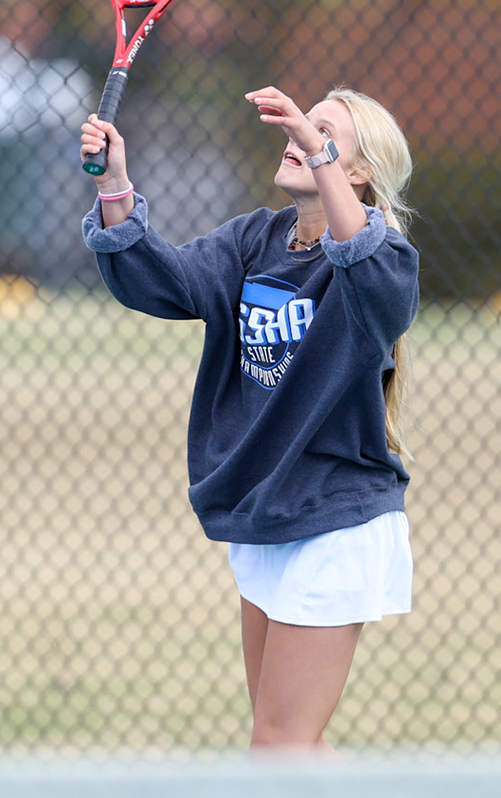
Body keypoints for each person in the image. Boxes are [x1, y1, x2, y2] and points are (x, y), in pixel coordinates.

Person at [78, 84, 419, 754]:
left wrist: (313, 144)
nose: (297, 136)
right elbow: (164, 281)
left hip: (334, 520)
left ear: (355, 174)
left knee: (278, 747)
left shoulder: (384, 262)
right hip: (268, 515)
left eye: (323, 133)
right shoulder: (252, 240)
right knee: (291, 746)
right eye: (299, 126)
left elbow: (367, 263)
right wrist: (116, 186)